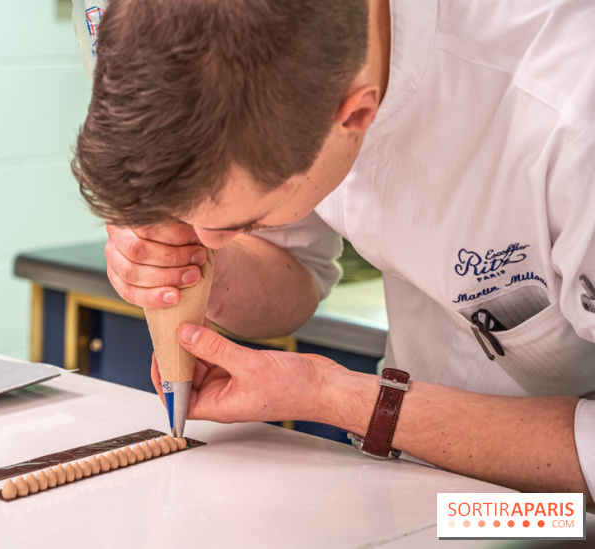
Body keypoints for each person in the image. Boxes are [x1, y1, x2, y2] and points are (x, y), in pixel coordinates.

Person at [71, 0, 595, 503]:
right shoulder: (283, 53)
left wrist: (333, 395)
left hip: (566, 506)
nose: (202, 240)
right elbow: (296, 273)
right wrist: (208, 273)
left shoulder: (570, 112)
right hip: (416, 476)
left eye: (241, 223)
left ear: (354, 115)